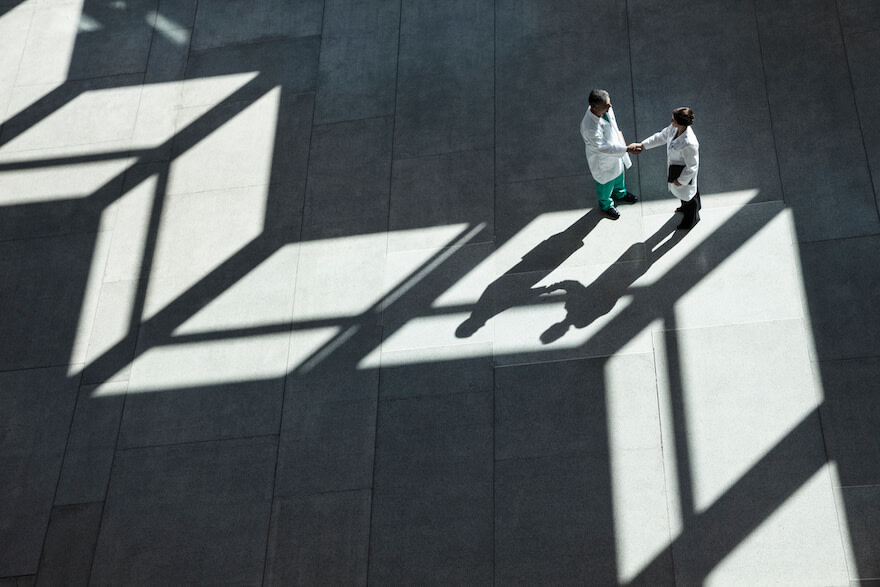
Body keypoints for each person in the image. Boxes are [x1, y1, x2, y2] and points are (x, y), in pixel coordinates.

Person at [633, 107, 701, 229]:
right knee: (685, 195)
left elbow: (692, 166)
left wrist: (681, 181)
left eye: (673, 119)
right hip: (676, 169)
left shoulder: (689, 143)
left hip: (683, 174)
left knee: (689, 196)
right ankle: (686, 206)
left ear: (680, 123)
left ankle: (691, 220)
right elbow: (661, 136)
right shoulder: (674, 128)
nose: (671, 121)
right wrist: (643, 145)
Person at [580, 89, 641, 220]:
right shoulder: (589, 127)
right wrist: (627, 149)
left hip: (616, 150)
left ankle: (620, 194)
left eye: (609, 103)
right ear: (595, 107)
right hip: (603, 160)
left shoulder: (604, 109)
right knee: (605, 183)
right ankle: (606, 205)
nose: (610, 106)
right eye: (606, 105)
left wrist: (620, 139)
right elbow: (603, 148)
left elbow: (612, 125)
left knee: (619, 174)